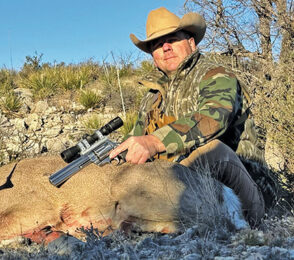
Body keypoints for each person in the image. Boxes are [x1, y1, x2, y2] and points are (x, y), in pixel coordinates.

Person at [109, 7, 265, 226]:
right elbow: (137, 147)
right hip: (183, 189)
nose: (165, 47)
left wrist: (154, 142)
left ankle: (245, 223)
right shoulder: (150, 99)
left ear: (191, 43)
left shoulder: (217, 75)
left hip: (241, 191)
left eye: (172, 39)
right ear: (153, 58)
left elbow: (214, 118)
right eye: (156, 44)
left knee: (214, 152)